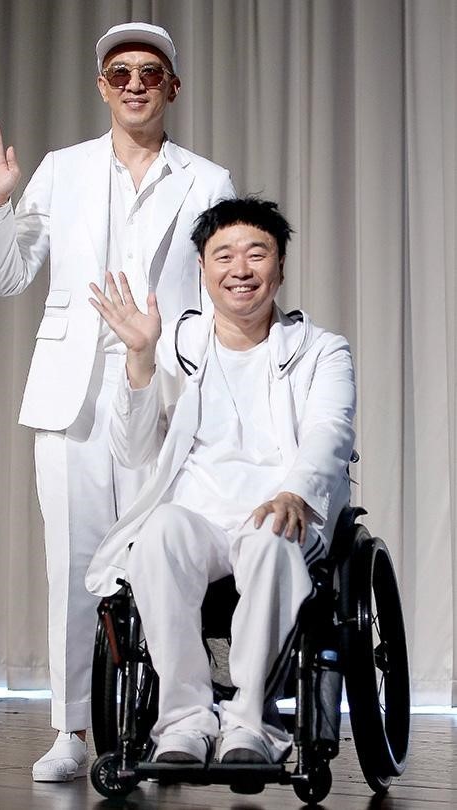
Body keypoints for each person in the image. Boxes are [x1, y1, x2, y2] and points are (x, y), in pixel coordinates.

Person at [0, 22, 235, 781]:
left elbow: (225, 289)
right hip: (71, 391)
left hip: (164, 386)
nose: (135, 84)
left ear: (172, 86)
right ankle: (72, 729)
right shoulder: (63, 168)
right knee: (74, 564)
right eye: (120, 74)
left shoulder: (207, 180)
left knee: (153, 558)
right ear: (102, 88)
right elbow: (11, 276)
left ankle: (165, 718)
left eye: (149, 72)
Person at [85, 197, 356, 765]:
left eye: (257, 254)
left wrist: (295, 492)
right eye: (224, 255)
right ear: (203, 268)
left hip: (280, 513)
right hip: (200, 518)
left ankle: (251, 724)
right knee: (157, 534)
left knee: (271, 534)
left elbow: (330, 430)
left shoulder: (322, 350)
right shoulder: (177, 344)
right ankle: (183, 721)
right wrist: (140, 358)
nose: (241, 269)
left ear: (280, 267)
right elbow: (132, 449)